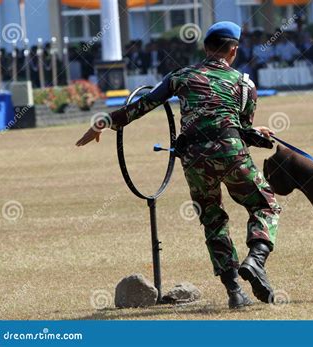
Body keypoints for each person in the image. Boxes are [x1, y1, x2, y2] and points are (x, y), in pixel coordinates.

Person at [75, 21, 281, 310]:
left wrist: (103, 122)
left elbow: (142, 105)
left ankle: (234, 291)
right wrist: (255, 133)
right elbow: (241, 128)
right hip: (231, 153)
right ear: (233, 50)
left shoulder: (181, 76)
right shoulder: (245, 84)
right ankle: (255, 260)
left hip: (195, 159)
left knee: (212, 218)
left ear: (206, 48)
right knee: (265, 206)